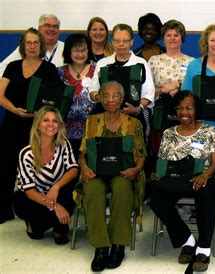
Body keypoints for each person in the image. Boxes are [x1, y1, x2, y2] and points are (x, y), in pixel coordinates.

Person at [150, 91, 215, 272]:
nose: (184, 112)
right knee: (156, 198)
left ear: (196, 110)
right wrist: (156, 174)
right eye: (180, 108)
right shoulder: (168, 133)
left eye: (189, 108)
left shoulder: (210, 131)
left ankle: (204, 248)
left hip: (205, 178)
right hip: (175, 180)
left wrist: (206, 175)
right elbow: (162, 162)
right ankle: (187, 240)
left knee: (206, 192)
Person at [78, 81, 146, 271]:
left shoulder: (134, 124)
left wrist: (136, 169)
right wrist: (84, 168)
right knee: (91, 190)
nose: (110, 100)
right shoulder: (92, 122)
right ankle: (100, 247)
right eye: (105, 95)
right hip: (96, 173)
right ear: (99, 98)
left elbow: (141, 155)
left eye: (115, 95)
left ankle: (117, 245)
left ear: (122, 99)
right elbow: (82, 154)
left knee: (122, 188)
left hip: (124, 173)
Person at [0, 28, 62, 224]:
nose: (33, 46)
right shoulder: (12, 66)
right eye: (29, 43)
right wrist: (15, 110)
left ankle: (36, 206)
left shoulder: (49, 69)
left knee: (34, 168)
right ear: (23, 46)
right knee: (6, 166)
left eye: (36, 43)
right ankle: (3, 209)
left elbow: (55, 99)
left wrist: (41, 114)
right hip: (12, 123)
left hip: (37, 127)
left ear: (41, 46)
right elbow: (0, 95)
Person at [13, 105, 78, 244]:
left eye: (55, 121)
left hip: (56, 192)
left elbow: (73, 169)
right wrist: (56, 207)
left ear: (59, 125)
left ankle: (59, 229)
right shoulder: (26, 153)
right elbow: (29, 191)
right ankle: (36, 224)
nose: (51, 124)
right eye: (45, 120)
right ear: (37, 125)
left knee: (72, 190)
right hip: (33, 197)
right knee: (36, 233)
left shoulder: (63, 144)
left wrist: (56, 187)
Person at [88, 23, 154, 148]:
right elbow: (93, 90)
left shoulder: (141, 63)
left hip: (134, 116)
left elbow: (149, 94)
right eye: (117, 41)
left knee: (134, 153)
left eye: (125, 41)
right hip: (105, 116)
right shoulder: (103, 64)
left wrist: (137, 108)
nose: (121, 44)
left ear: (131, 42)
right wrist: (100, 98)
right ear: (112, 42)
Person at [148, 19, 194, 159]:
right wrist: (164, 89)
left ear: (182, 39)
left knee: (185, 152)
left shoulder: (192, 62)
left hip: (185, 114)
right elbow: (147, 90)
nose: (172, 38)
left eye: (176, 35)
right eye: (169, 35)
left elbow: (194, 90)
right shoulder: (154, 61)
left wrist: (178, 86)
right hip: (161, 114)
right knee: (161, 151)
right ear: (163, 39)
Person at [58, 33, 96, 156]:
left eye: (83, 50)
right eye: (76, 50)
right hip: (63, 132)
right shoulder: (59, 72)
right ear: (69, 52)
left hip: (92, 132)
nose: (80, 54)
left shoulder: (97, 71)